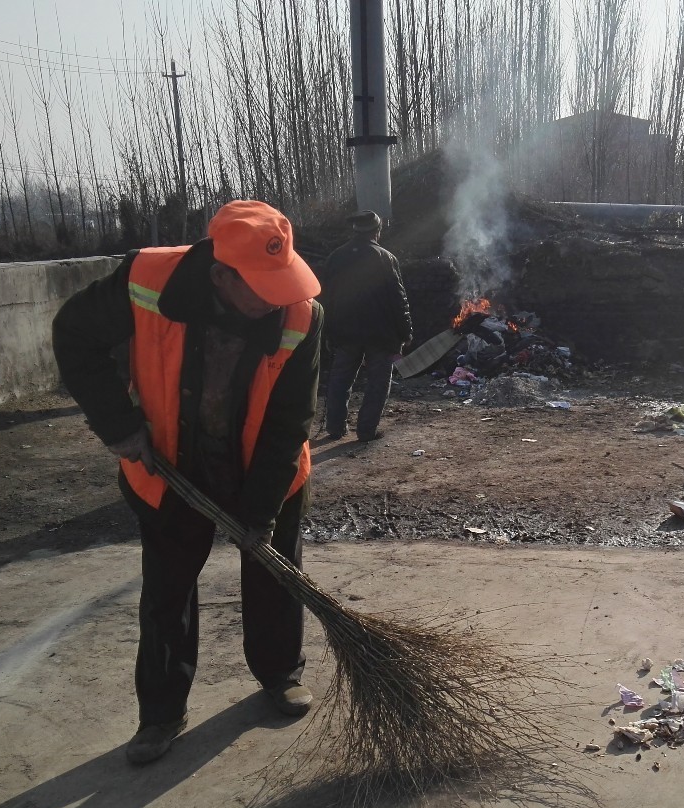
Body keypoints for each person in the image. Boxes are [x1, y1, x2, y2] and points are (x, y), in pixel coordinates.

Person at [52, 200, 322, 765]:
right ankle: (161, 714)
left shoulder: (301, 313)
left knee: (275, 572)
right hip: (173, 463)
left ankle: (280, 674)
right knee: (168, 588)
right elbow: (73, 336)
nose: (280, 296)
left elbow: (289, 420)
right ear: (221, 276)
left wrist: (260, 514)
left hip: (265, 464)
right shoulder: (147, 280)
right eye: (262, 285)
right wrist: (119, 426)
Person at [321, 209, 413, 442]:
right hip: (380, 335)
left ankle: (335, 427)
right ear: (377, 231)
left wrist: (329, 332)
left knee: (340, 380)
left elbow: (326, 298)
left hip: (345, 332)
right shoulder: (385, 258)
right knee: (378, 384)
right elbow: (398, 299)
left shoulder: (336, 257)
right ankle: (366, 430)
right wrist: (405, 332)